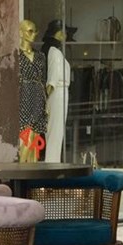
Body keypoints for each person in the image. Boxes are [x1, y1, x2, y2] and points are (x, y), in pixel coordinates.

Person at [41, 19, 71, 163]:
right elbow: (52, 78)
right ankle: (52, 161)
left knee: (56, 129)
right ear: (58, 33)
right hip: (57, 92)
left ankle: (53, 160)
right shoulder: (54, 52)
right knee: (55, 129)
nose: (66, 35)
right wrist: (46, 99)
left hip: (58, 91)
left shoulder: (54, 51)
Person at [17, 19, 47, 163]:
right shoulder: (15, 55)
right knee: (26, 133)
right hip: (23, 94)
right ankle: (21, 167)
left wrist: (46, 102)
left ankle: (32, 167)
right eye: (30, 31)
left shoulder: (40, 56)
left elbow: (43, 80)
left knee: (35, 135)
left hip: (38, 95)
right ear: (21, 33)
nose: (33, 34)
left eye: (35, 31)